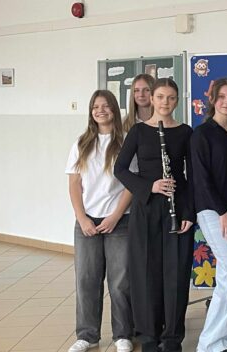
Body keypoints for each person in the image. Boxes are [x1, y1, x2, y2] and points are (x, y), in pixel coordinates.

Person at [114, 78, 195, 352]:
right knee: (146, 272)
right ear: (152, 98)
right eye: (160, 96)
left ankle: (172, 338)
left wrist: (188, 211)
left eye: (171, 97)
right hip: (146, 207)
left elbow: (192, 176)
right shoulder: (138, 131)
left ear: (177, 101)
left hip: (176, 207)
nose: (165, 102)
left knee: (176, 273)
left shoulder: (185, 132)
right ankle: (148, 336)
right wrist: (149, 186)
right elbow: (120, 169)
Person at [66, 90, 134, 352]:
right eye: (95, 106)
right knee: (87, 280)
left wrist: (115, 216)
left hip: (119, 220)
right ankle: (87, 335)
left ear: (114, 109)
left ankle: (123, 334)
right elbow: (74, 184)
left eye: (106, 106)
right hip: (87, 223)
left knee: (120, 282)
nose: (100, 110)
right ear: (90, 111)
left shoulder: (126, 142)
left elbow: (131, 185)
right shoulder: (81, 143)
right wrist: (82, 218)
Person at [191, 78, 227, 352]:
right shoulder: (201, 134)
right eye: (221, 96)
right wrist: (222, 212)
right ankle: (209, 344)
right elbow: (201, 179)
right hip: (214, 212)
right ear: (212, 100)